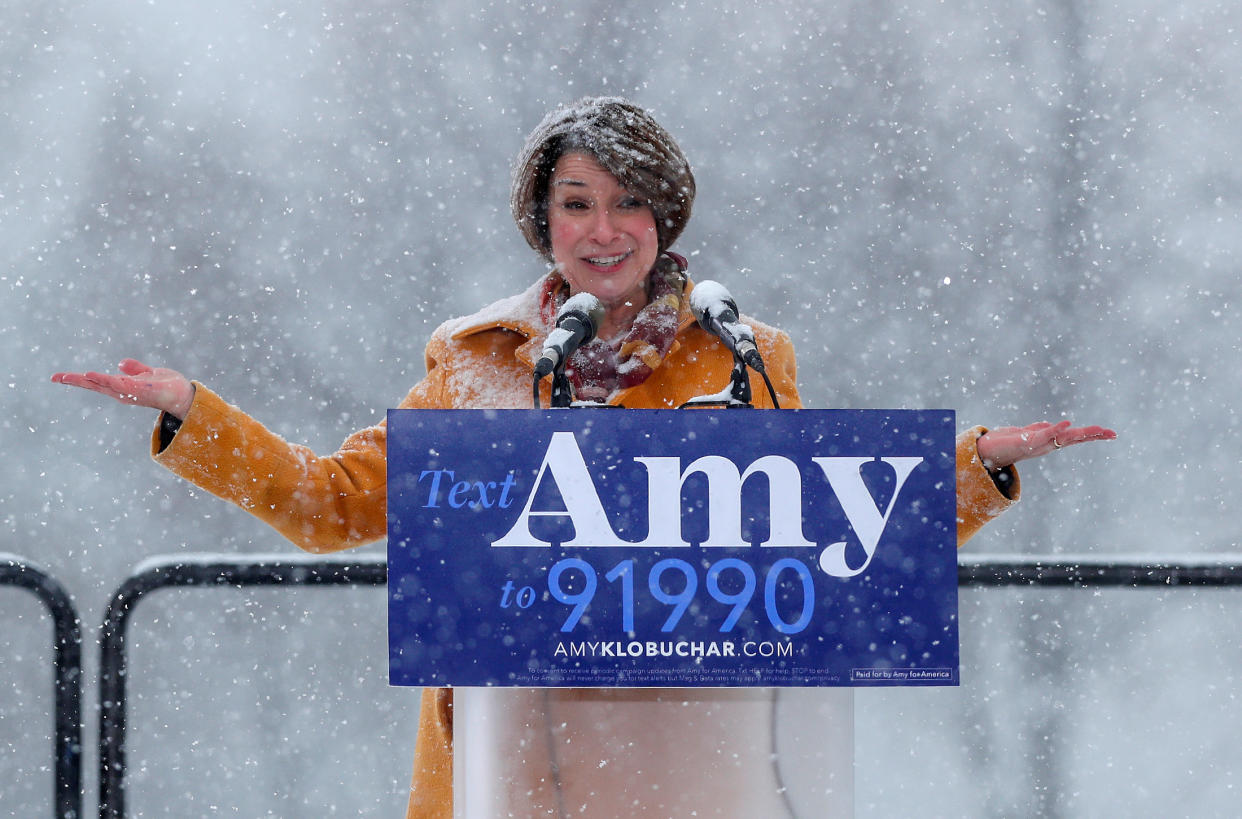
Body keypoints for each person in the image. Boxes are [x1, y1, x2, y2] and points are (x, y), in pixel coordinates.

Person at [53, 96, 1115, 817]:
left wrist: (980, 466)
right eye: (576, 203)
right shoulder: (472, 365)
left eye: (627, 201)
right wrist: (194, 412)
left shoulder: (743, 356)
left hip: (698, 758)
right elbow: (329, 506)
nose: (604, 229)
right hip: (511, 763)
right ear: (542, 222)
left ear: (665, 215)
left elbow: (827, 529)